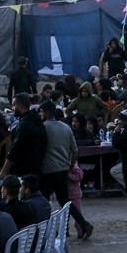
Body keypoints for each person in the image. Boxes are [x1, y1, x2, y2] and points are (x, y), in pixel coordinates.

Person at [39, 101, 93, 239]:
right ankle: (83, 224)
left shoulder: (42, 128)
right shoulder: (66, 128)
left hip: (48, 170)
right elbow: (75, 151)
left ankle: (51, 231)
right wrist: (70, 166)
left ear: (45, 112)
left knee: (44, 202)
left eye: (41, 112)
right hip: (63, 170)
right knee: (65, 201)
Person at [0, 93, 47, 179]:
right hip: (37, 169)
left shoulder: (23, 125)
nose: (13, 108)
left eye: (14, 105)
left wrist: (3, 171)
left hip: (23, 171)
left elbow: (14, 150)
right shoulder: (38, 122)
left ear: (20, 106)